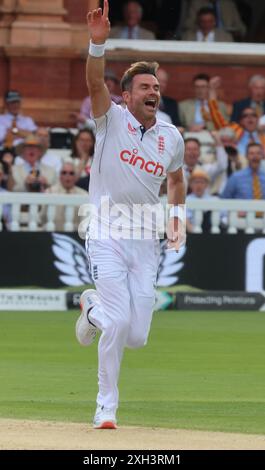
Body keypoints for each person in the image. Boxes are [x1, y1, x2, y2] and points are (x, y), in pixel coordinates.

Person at [75, 0, 185, 430]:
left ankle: (90, 310)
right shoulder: (110, 120)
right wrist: (97, 45)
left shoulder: (171, 136)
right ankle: (106, 405)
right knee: (118, 322)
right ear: (127, 95)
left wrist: (175, 217)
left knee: (136, 336)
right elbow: (92, 83)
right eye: (144, 87)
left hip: (146, 239)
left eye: (155, 87)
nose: (153, 92)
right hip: (105, 231)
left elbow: (175, 181)